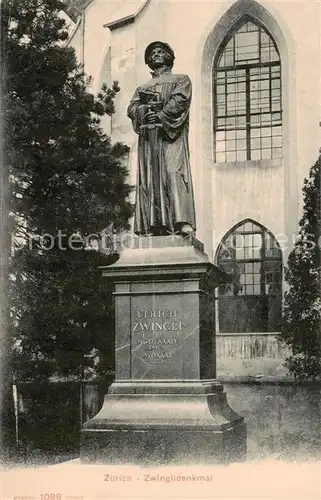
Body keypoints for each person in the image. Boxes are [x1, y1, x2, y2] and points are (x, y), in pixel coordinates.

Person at [127, 41, 196, 236]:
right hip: (150, 140)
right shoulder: (142, 87)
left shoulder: (181, 79)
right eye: (153, 53)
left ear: (169, 56)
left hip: (171, 137)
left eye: (161, 51)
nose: (156, 54)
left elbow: (180, 100)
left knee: (174, 172)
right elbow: (131, 109)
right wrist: (144, 111)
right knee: (150, 178)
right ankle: (153, 224)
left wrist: (160, 115)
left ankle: (181, 222)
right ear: (148, 60)